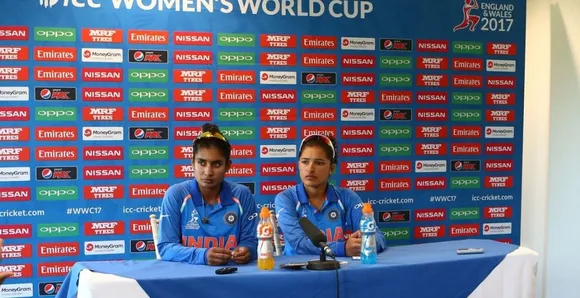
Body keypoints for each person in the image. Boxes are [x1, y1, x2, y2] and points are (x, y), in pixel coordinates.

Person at [158, 123, 258, 265]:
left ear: (228, 166)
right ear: (192, 163)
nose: (208, 172)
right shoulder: (176, 194)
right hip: (187, 280)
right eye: (202, 163)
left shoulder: (242, 195)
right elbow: (166, 247)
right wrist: (202, 256)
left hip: (233, 276)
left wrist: (247, 250)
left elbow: (252, 242)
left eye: (216, 164)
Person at [275, 134, 387, 257]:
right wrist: (342, 248)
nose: (310, 169)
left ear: (331, 168)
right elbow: (299, 243)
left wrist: (366, 243)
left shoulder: (347, 197)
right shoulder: (286, 198)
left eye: (319, 163)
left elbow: (378, 236)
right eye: (305, 162)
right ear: (299, 164)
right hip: (298, 272)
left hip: (337, 269)